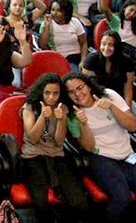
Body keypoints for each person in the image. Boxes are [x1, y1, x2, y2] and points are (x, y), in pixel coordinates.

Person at [64, 71, 136, 223]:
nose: (78, 94)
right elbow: (88, 147)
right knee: (121, 198)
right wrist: (84, 123)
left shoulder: (109, 95)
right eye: (71, 92)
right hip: (100, 158)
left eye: (80, 88)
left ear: (89, 86)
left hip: (127, 155)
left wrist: (112, 107)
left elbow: (132, 126)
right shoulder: (73, 114)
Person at [21, 74, 88, 222]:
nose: (51, 97)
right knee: (41, 203)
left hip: (56, 157)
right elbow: (32, 138)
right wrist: (43, 117)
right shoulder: (29, 107)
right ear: (41, 92)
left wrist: (61, 119)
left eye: (55, 93)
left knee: (79, 202)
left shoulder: (62, 108)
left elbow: (59, 141)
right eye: (47, 93)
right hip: (33, 158)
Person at [81, 30, 135, 108]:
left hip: (119, 99)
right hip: (97, 100)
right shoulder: (92, 59)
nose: (106, 48)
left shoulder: (127, 62)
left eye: (110, 45)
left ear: (117, 46)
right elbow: (84, 85)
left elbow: (128, 90)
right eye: (103, 44)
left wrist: (127, 109)